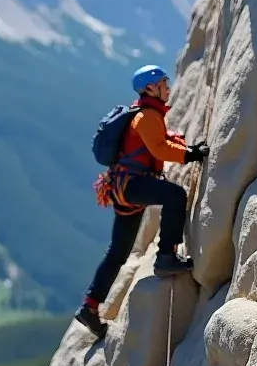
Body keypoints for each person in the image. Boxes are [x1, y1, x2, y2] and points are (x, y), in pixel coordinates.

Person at [75, 65, 208, 339]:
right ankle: (166, 256)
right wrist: (191, 155)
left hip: (125, 187)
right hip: (132, 185)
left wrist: (182, 147)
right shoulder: (147, 115)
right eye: (163, 84)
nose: (167, 88)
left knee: (118, 251)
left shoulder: (145, 114)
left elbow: (158, 142)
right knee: (175, 196)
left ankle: (90, 305)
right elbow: (158, 148)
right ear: (150, 88)